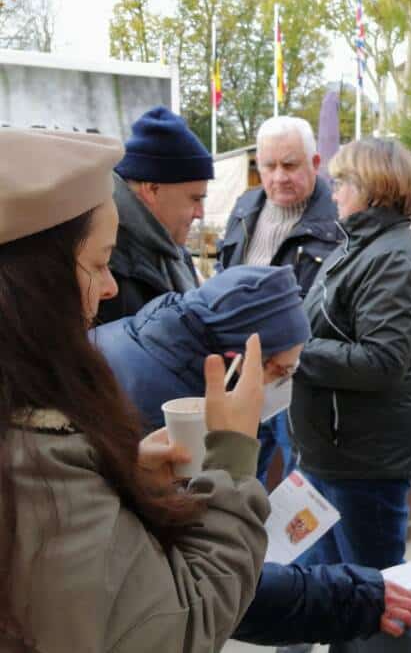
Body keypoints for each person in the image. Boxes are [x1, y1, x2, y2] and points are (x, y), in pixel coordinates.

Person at [0, 127, 266, 651]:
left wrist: (110, 476)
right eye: (98, 263)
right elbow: (178, 624)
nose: (110, 286)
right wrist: (232, 454)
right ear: (35, 285)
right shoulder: (35, 471)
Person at [94, 265, 411, 647]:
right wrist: (349, 596)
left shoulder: (148, 348)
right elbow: (211, 587)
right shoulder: (173, 417)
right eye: (281, 372)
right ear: (242, 361)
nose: (284, 387)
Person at [291, 138, 411, 573]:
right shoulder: (359, 246)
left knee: (369, 593)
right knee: (323, 585)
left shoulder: (389, 257)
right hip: (335, 453)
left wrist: (295, 352)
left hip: (363, 462)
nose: (332, 193)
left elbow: (381, 360)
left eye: (341, 183)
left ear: (373, 187)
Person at [216, 116, 341, 484]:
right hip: (243, 372)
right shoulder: (244, 207)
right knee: (235, 478)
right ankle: (242, 542)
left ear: (315, 164)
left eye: (290, 165)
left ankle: (293, 546)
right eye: (268, 166)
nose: (278, 176)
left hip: (298, 380)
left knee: (298, 488)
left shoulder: (338, 218)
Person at [97, 106, 213, 324]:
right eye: (195, 199)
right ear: (152, 189)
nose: (200, 213)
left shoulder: (173, 250)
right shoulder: (106, 261)